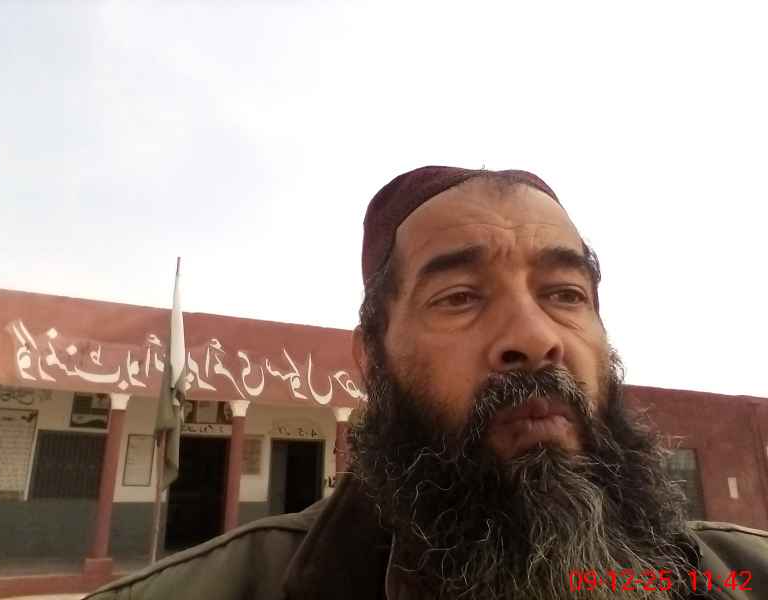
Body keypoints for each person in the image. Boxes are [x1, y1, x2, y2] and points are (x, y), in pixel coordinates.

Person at [86, 166, 768, 600]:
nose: (536, 338)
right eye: (460, 297)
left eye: (565, 293)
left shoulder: (740, 575)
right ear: (372, 357)